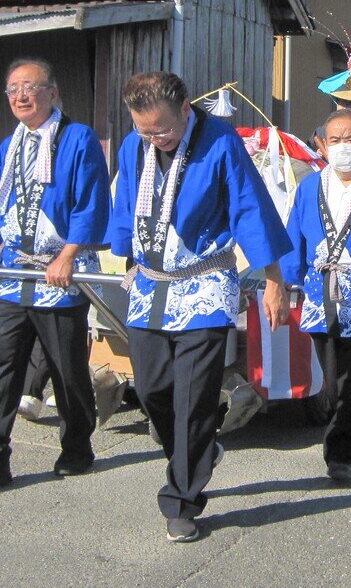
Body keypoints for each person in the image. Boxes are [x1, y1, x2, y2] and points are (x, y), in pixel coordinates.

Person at [108, 71, 291, 543]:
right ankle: (199, 451)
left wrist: (274, 280)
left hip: (204, 284)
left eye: (163, 130)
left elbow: (251, 208)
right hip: (151, 284)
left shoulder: (220, 142)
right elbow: (126, 204)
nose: (155, 139)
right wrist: (121, 249)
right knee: (152, 389)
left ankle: (182, 500)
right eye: (145, 131)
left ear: (186, 108)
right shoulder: (133, 147)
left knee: (193, 398)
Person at [0, 57, 111, 486]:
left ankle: (77, 446)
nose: (20, 96)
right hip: (14, 271)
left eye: (30, 87)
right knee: (1, 363)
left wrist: (69, 254)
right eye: (13, 89)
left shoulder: (77, 138)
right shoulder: (11, 144)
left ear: (53, 93)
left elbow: (91, 201)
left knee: (66, 366)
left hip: (60, 270)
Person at [282, 109, 351, 481]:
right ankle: (343, 429)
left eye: (350, 139)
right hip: (320, 292)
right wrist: (285, 281)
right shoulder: (310, 187)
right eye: (335, 140)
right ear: (322, 145)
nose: (343, 146)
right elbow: (294, 236)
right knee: (331, 376)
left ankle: (341, 454)